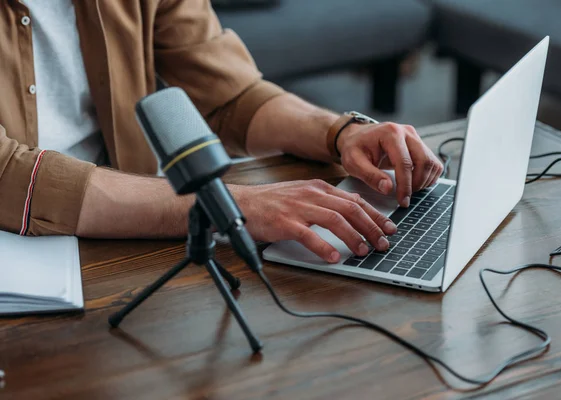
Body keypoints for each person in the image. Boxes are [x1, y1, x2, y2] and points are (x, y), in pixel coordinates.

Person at [0, 0, 443, 263]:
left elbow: (229, 93)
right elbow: (8, 175)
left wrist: (340, 132)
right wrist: (225, 206)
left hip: (124, 226)